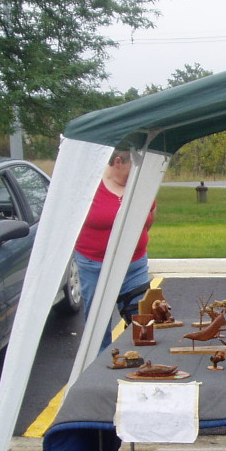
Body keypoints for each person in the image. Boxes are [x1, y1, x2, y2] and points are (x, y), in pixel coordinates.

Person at [73, 148, 155, 351]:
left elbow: (150, 214)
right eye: (131, 169)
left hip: (134, 265)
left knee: (143, 320)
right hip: (95, 266)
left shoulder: (139, 185)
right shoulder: (88, 187)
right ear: (117, 162)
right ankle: (100, 369)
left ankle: (143, 366)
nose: (134, 175)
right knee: (97, 325)